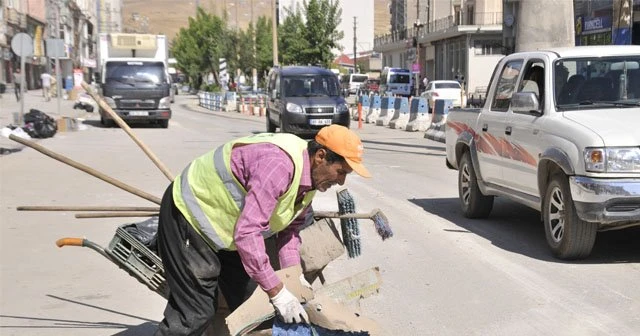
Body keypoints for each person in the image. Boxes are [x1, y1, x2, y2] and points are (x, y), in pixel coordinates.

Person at [155, 125, 371, 335]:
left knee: (254, 305)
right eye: (341, 171)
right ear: (321, 156)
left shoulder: (310, 180)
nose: (341, 181)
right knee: (195, 313)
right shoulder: (279, 166)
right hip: (190, 216)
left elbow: (290, 231)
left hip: (228, 231)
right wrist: (278, 293)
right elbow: (248, 234)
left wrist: (294, 277)